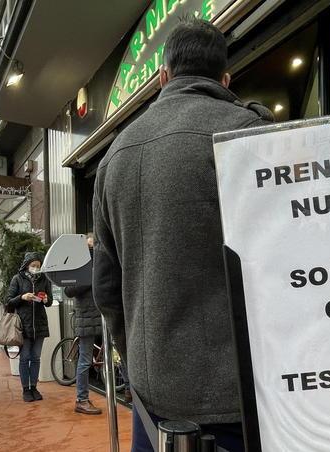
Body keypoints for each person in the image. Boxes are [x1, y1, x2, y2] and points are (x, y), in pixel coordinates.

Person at [92, 18, 272, 452]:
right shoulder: (251, 134)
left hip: (154, 398)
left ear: (163, 76)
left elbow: (106, 288)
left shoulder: (114, 156)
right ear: (225, 79)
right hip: (243, 393)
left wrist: (138, 356)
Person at [5, 252, 53, 403]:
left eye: (38, 266)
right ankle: (26, 389)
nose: (36, 268)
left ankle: (34, 387)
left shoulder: (44, 279)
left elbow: (50, 301)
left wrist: (46, 299)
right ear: (26, 265)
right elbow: (8, 301)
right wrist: (22, 297)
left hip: (40, 324)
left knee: (36, 357)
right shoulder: (17, 279)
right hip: (23, 324)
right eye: (33, 265)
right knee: (25, 358)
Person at [64, 234, 103, 415]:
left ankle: (128, 390)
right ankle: (81, 399)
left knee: (121, 355)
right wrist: (90, 277)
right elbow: (68, 290)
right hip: (87, 316)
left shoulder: (105, 262)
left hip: (106, 313)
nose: (92, 249)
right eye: (89, 246)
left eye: (94, 246)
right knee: (85, 360)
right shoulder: (78, 265)